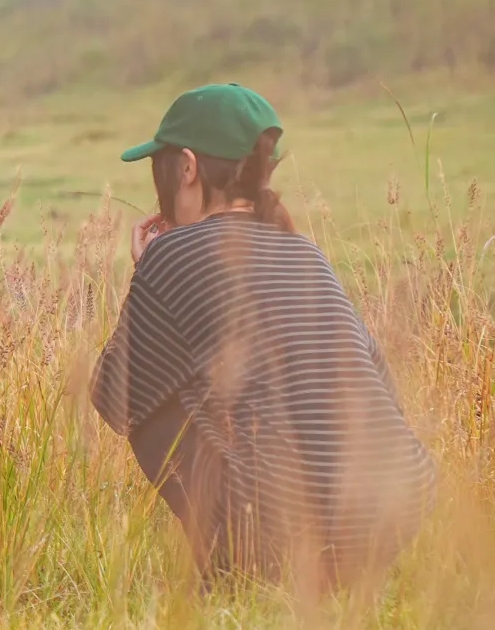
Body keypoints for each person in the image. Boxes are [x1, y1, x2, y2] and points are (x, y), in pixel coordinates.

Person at [90, 83, 434, 584]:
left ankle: (238, 565)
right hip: (393, 514)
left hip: (281, 534)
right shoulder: (306, 252)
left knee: (153, 397)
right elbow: (380, 383)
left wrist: (146, 272)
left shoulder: (172, 253)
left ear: (186, 168)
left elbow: (112, 397)